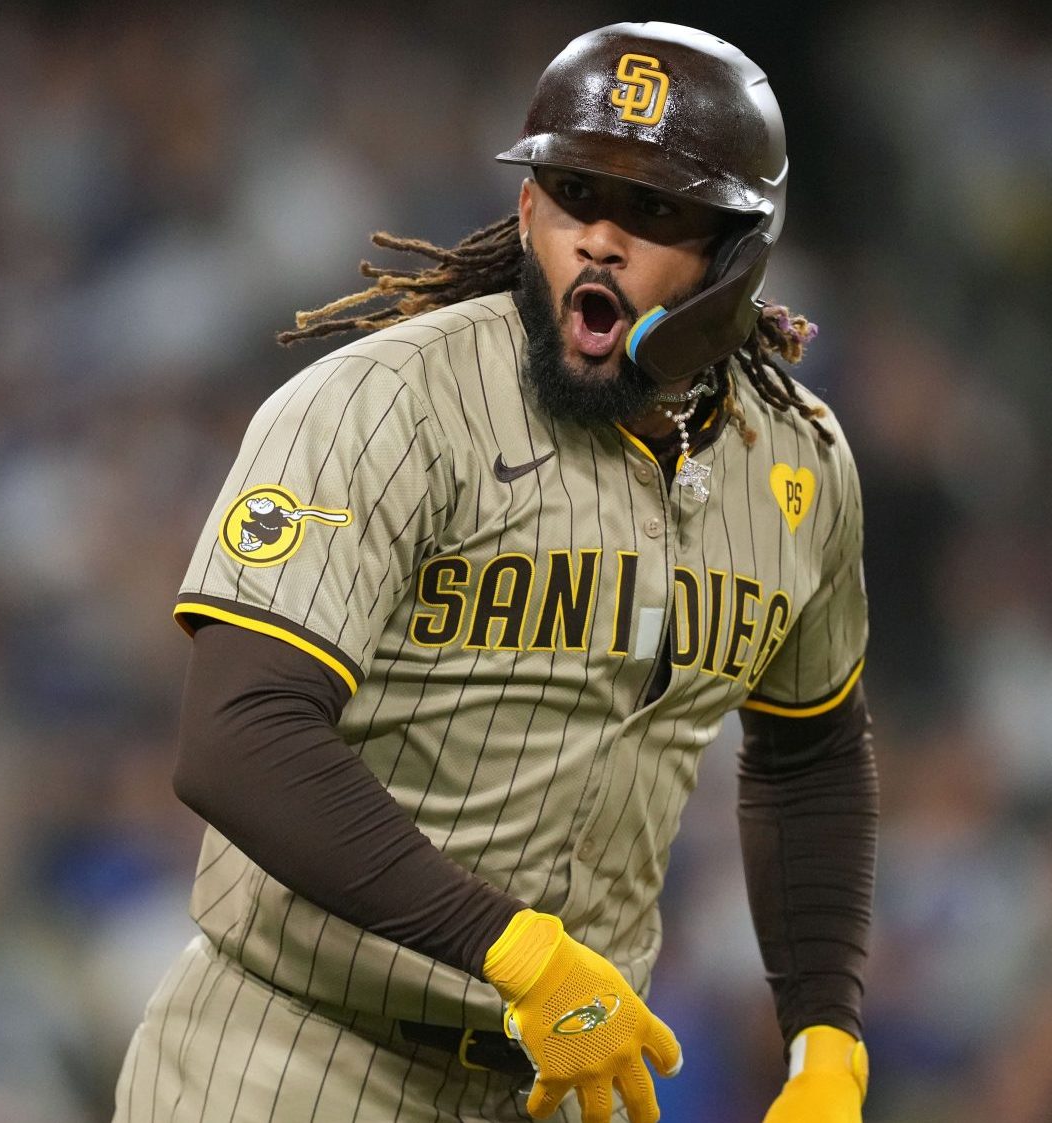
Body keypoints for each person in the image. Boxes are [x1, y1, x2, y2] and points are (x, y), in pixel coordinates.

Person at [113, 21, 876, 1123]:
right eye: (573, 194)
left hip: (563, 1083)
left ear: (738, 254)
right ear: (526, 212)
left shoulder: (800, 459)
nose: (599, 242)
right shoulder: (386, 401)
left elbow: (808, 754)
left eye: (654, 211)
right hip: (295, 1053)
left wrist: (823, 1043)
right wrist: (514, 951)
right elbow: (240, 737)